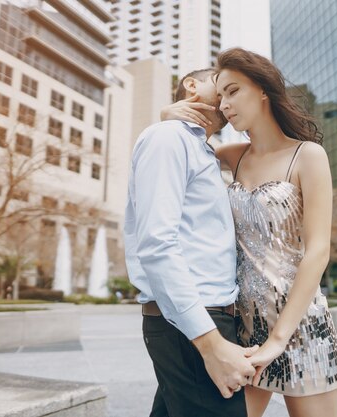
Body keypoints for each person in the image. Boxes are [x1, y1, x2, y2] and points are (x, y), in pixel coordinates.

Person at [163, 48, 337, 417]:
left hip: (301, 325)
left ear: (262, 89)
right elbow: (177, 150)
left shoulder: (307, 155)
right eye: (220, 97)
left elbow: (318, 252)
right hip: (241, 329)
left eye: (233, 91)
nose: (224, 105)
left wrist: (279, 339)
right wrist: (169, 116)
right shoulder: (231, 155)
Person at [124, 68, 257, 417]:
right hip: (194, 322)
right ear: (192, 85)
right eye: (221, 83)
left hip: (201, 319)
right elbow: (156, 243)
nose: (230, 94)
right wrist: (210, 344)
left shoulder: (203, 148)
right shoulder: (169, 138)